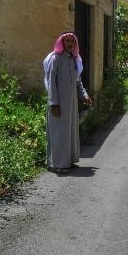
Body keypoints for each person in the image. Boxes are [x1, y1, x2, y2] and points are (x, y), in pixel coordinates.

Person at [43, 32, 91, 173]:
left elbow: (78, 81)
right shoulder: (55, 59)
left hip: (71, 105)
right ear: (62, 43)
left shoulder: (74, 60)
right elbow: (51, 82)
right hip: (58, 104)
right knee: (58, 133)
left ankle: (68, 161)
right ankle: (56, 164)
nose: (70, 44)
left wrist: (84, 95)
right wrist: (54, 103)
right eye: (68, 41)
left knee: (69, 132)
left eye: (73, 41)